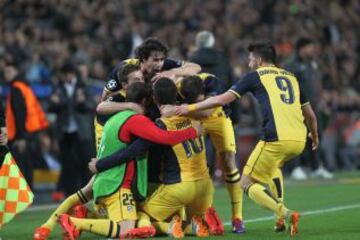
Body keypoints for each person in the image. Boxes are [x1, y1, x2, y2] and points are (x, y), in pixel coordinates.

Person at [176, 42, 319, 236]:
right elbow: (310, 114)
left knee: (246, 183)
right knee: (274, 167)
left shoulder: (255, 76)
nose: (249, 62)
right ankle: (279, 220)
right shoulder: (291, 77)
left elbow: (221, 99)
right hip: (300, 139)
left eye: (251, 58)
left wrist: (189, 108)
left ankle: (285, 213)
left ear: (259, 60)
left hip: (276, 138)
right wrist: (315, 136)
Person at [40, 82, 203, 240]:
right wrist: (192, 132)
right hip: (117, 184)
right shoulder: (135, 120)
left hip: (105, 179)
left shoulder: (114, 118)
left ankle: (77, 218)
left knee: (134, 217)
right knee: (127, 230)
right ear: (145, 101)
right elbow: (162, 138)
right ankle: (75, 222)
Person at [89, 78, 225, 238]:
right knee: (189, 217)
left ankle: (170, 228)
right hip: (205, 186)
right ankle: (197, 224)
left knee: (141, 214)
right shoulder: (195, 116)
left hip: (180, 186)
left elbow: (132, 151)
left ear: (154, 99)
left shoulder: (161, 123)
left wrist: (101, 164)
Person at [176, 74, 245, 233]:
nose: (200, 104)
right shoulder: (178, 90)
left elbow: (207, 112)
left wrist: (183, 110)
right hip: (194, 121)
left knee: (228, 161)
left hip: (218, 118)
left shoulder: (212, 82)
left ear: (204, 90)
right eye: (195, 102)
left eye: (202, 100)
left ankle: (238, 218)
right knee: (193, 164)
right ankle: (198, 215)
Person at [284, 37, 333, 180]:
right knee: (297, 138)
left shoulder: (312, 64)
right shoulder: (291, 65)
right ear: (302, 48)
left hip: (313, 106)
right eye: (310, 47)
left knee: (315, 136)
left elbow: (316, 85)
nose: (313, 50)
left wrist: (321, 100)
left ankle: (316, 167)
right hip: (298, 107)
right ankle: (295, 168)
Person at [48, 62, 96, 198]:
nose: (66, 77)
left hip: (81, 131)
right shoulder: (58, 88)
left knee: (84, 162)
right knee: (67, 164)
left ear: (73, 74)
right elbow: (51, 108)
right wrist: (55, 103)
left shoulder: (82, 86)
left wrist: (81, 102)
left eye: (68, 74)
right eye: (64, 75)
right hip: (65, 132)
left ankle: (87, 192)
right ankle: (71, 194)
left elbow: (91, 105)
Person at [102, 37, 201, 100]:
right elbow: (104, 98)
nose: (160, 64)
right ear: (144, 58)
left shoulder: (165, 64)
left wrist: (173, 72)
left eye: (162, 59)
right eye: (155, 60)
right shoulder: (124, 68)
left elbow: (196, 67)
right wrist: (130, 100)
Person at [4, 59, 49, 188]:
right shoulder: (24, 86)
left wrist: (20, 137)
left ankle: (26, 195)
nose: (6, 74)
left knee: (21, 167)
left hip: (22, 135)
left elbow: (20, 114)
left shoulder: (16, 88)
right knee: (26, 165)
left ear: (16, 72)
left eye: (9, 71)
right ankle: (29, 193)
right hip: (30, 132)